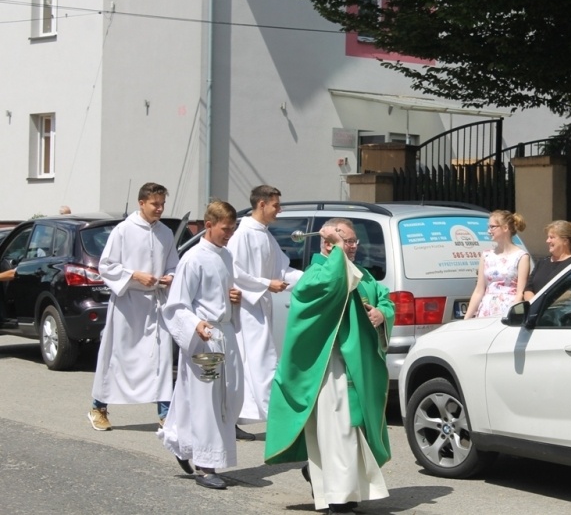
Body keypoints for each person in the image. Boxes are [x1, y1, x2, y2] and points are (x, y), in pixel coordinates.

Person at [264, 218, 394, 515]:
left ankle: (347, 488)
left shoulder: (360, 273)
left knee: (354, 428)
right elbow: (331, 287)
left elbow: (383, 298)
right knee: (339, 430)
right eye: (346, 242)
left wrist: (382, 314)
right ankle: (338, 496)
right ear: (328, 244)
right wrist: (336, 251)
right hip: (329, 365)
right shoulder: (317, 273)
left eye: (353, 242)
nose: (353, 248)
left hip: (356, 364)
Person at [158, 200, 244, 490]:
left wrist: (233, 299)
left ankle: (181, 442)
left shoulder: (226, 256)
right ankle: (206, 467)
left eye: (233, 228)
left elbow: (220, 293)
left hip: (223, 333)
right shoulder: (193, 258)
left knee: (225, 396)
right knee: (206, 401)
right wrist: (196, 324)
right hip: (203, 337)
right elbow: (177, 304)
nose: (229, 233)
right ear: (208, 225)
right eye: (225, 228)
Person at [88, 182, 179, 431]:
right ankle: (99, 407)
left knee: (160, 359)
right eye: (155, 204)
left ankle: (165, 412)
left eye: (162, 204)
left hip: (155, 304)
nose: (159, 209)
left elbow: (173, 264)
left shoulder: (165, 233)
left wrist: (170, 276)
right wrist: (135, 276)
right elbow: (106, 266)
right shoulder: (123, 230)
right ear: (142, 203)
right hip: (128, 304)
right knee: (117, 357)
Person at [227, 185, 302, 441]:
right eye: (275, 205)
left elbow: (282, 271)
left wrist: (314, 279)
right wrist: (265, 284)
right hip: (245, 311)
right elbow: (235, 273)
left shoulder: (265, 235)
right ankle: (279, 422)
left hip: (260, 308)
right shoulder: (243, 235)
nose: (278, 210)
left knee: (259, 364)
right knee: (259, 365)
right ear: (262, 204)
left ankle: (235, 418)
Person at [464, 210, 530, 318]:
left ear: (505, 228)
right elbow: (479, 290)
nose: (489, 231)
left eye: (492, 227)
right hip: (486, 310)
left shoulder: (521, 257)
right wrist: (466, 318)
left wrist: (511, 316)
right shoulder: (486, 256)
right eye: (489, 227)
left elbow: (520, 293)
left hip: (507, 310)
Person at [523, 220, 571, 301]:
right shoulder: (542, 262)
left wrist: (545, 304)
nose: (547, 241)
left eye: (552, 237)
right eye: (548, 237)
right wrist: (534, 304)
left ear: (565, 241)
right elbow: (528, 289)